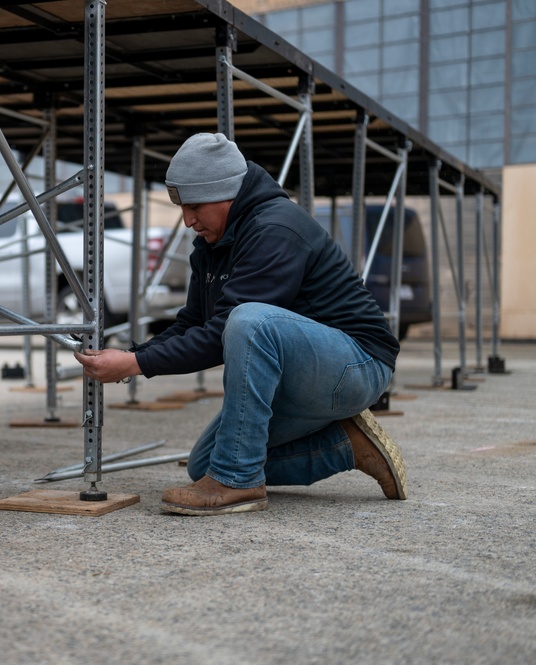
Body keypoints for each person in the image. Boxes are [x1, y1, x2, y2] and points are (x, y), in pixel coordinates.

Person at [73, 132, 407, 516]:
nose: (188, 220)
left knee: (249, 320)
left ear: (226, 192)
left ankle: (238, 482)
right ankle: (345, 447)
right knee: (206, 464)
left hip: (358, 365)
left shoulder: (274, 229)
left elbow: (223, 332)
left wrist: (135, 366)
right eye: (181, 206)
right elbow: (194, 323)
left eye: (195, 205)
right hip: (304, 373)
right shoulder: (212, 246)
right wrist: (132, 354)